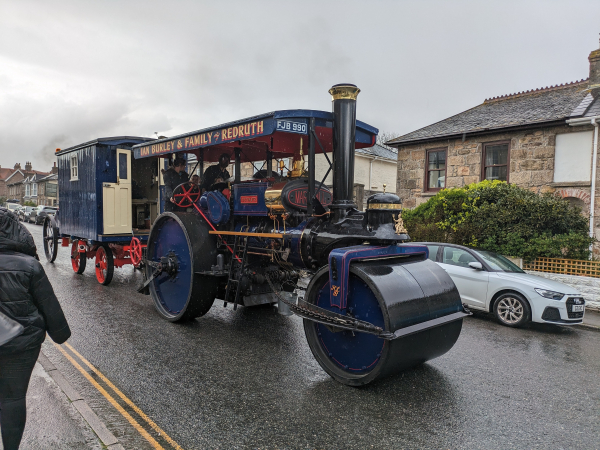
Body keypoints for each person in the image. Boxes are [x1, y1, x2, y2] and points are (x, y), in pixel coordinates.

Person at [0, 207, 71, 450]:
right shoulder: (30, 266)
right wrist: (60, 335)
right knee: (13, 397)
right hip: (21, 345)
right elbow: (49, 307)